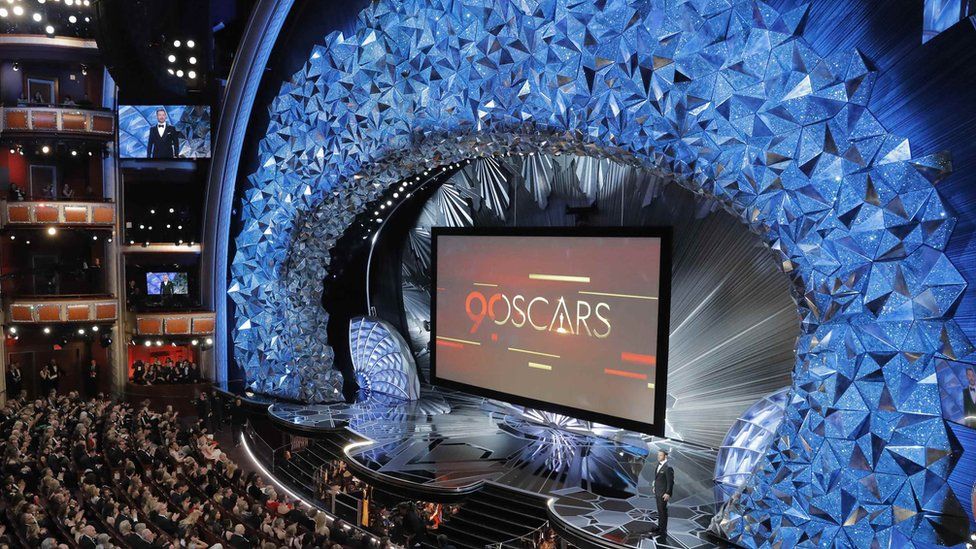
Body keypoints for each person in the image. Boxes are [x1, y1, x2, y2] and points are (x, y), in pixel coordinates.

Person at [652, 449, 674, 539]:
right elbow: (657, 478)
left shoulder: (668, 467)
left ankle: (663, 530)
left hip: (663, 493)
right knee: (659, 511)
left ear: (665, 456)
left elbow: (670, 482)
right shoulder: (658, 464)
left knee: (663, 511)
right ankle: (659, 527)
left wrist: (668, 493)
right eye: (658, 455)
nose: (658, 457)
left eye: (660, 455)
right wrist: (654, 486)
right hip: (658, 491)